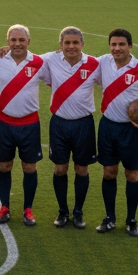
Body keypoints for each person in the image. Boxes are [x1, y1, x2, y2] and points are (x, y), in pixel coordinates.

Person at [96, 29, 138, 237]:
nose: (117, 49)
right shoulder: (102, 63)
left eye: (122, 45)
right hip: (108, 126)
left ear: (130, 46)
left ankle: (131, 220)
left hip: (130, 130)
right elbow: (76, 58)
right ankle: (109, 218)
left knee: (132, 174)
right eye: (114, 44)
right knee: (109, 172)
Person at [42, 27, 101, 229]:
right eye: (67, 43)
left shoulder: (94, 64)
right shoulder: (50, 59)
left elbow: (111, 79)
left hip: (83, 124)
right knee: (60, 169)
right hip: (59, 123)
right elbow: (26, 57)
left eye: (75, 43)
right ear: (61, 45)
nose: (71, 46)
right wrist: (7, 49)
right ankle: (62, 211)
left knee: (81, 169)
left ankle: (78, 212)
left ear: (82, 44)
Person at [0, 25, 46, 227]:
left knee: (29, 167)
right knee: (4, 165)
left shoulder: (40, 62)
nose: (17, 44)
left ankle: (28, 208)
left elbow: (53, 76)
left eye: (21, 40)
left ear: (28, 42)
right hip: (4, 123)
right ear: (7, 41)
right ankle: (4, 206)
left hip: (29, 124)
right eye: (13, 40)